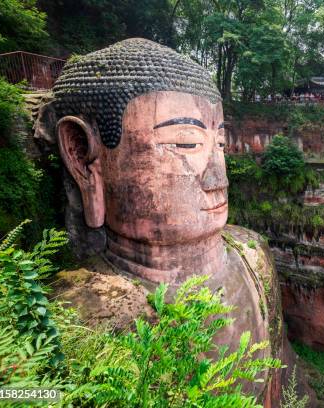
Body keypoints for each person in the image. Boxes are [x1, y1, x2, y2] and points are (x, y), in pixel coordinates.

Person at [50, 38, 283, 403]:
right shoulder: (81, 328)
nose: (218, 178)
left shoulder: (252, 255)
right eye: (186, 143)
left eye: (220, 145)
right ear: (83, 157)